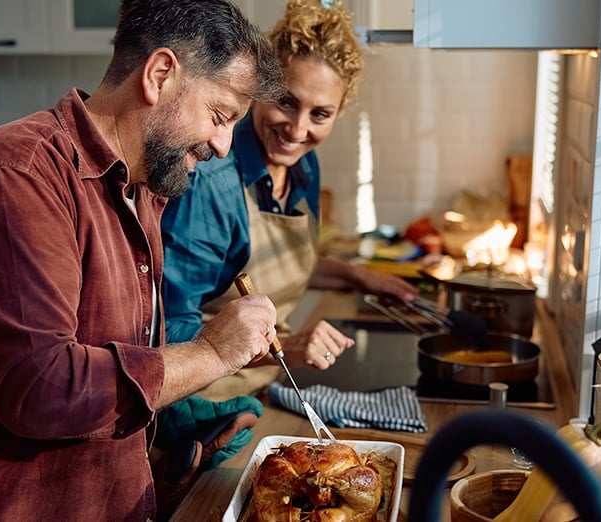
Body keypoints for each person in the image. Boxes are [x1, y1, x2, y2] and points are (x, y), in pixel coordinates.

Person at [0, 1, 286, 520]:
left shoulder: (140, 192)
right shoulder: (11, 177)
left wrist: (169, 422)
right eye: (220, 116)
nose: (222, 144)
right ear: (161, 74)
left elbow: (110, 369)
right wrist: (210, 353)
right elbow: (41, 388)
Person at [160, 0, 418, 403]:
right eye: (285, 101)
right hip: (202, 401)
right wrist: (290, 348)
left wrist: (358, 277)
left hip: (268, 385)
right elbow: (168, 333)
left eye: (320, 114)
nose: (297, 130)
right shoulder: (211, 183)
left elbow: (266, 267)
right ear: (262, 87)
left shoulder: (303, 166)